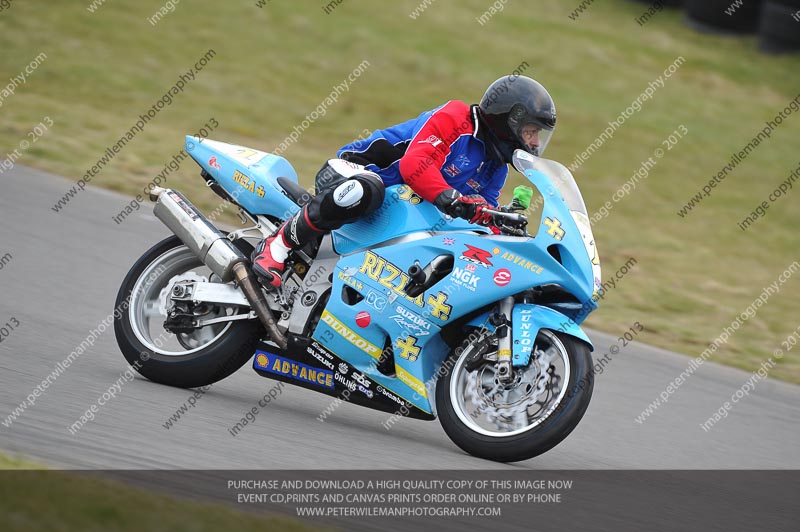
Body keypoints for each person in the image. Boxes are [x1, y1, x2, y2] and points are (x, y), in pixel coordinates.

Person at [251, 75, 556, 288]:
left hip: (395, 206)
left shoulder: (495, 167)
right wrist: (448, 197)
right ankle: (278, 244)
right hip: (355, 173)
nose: (534, 142)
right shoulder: (457, 118)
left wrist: (502, 228)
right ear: (509, 119)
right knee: (368, 190)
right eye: (531, 131)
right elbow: (415, 166)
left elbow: (478, 213)